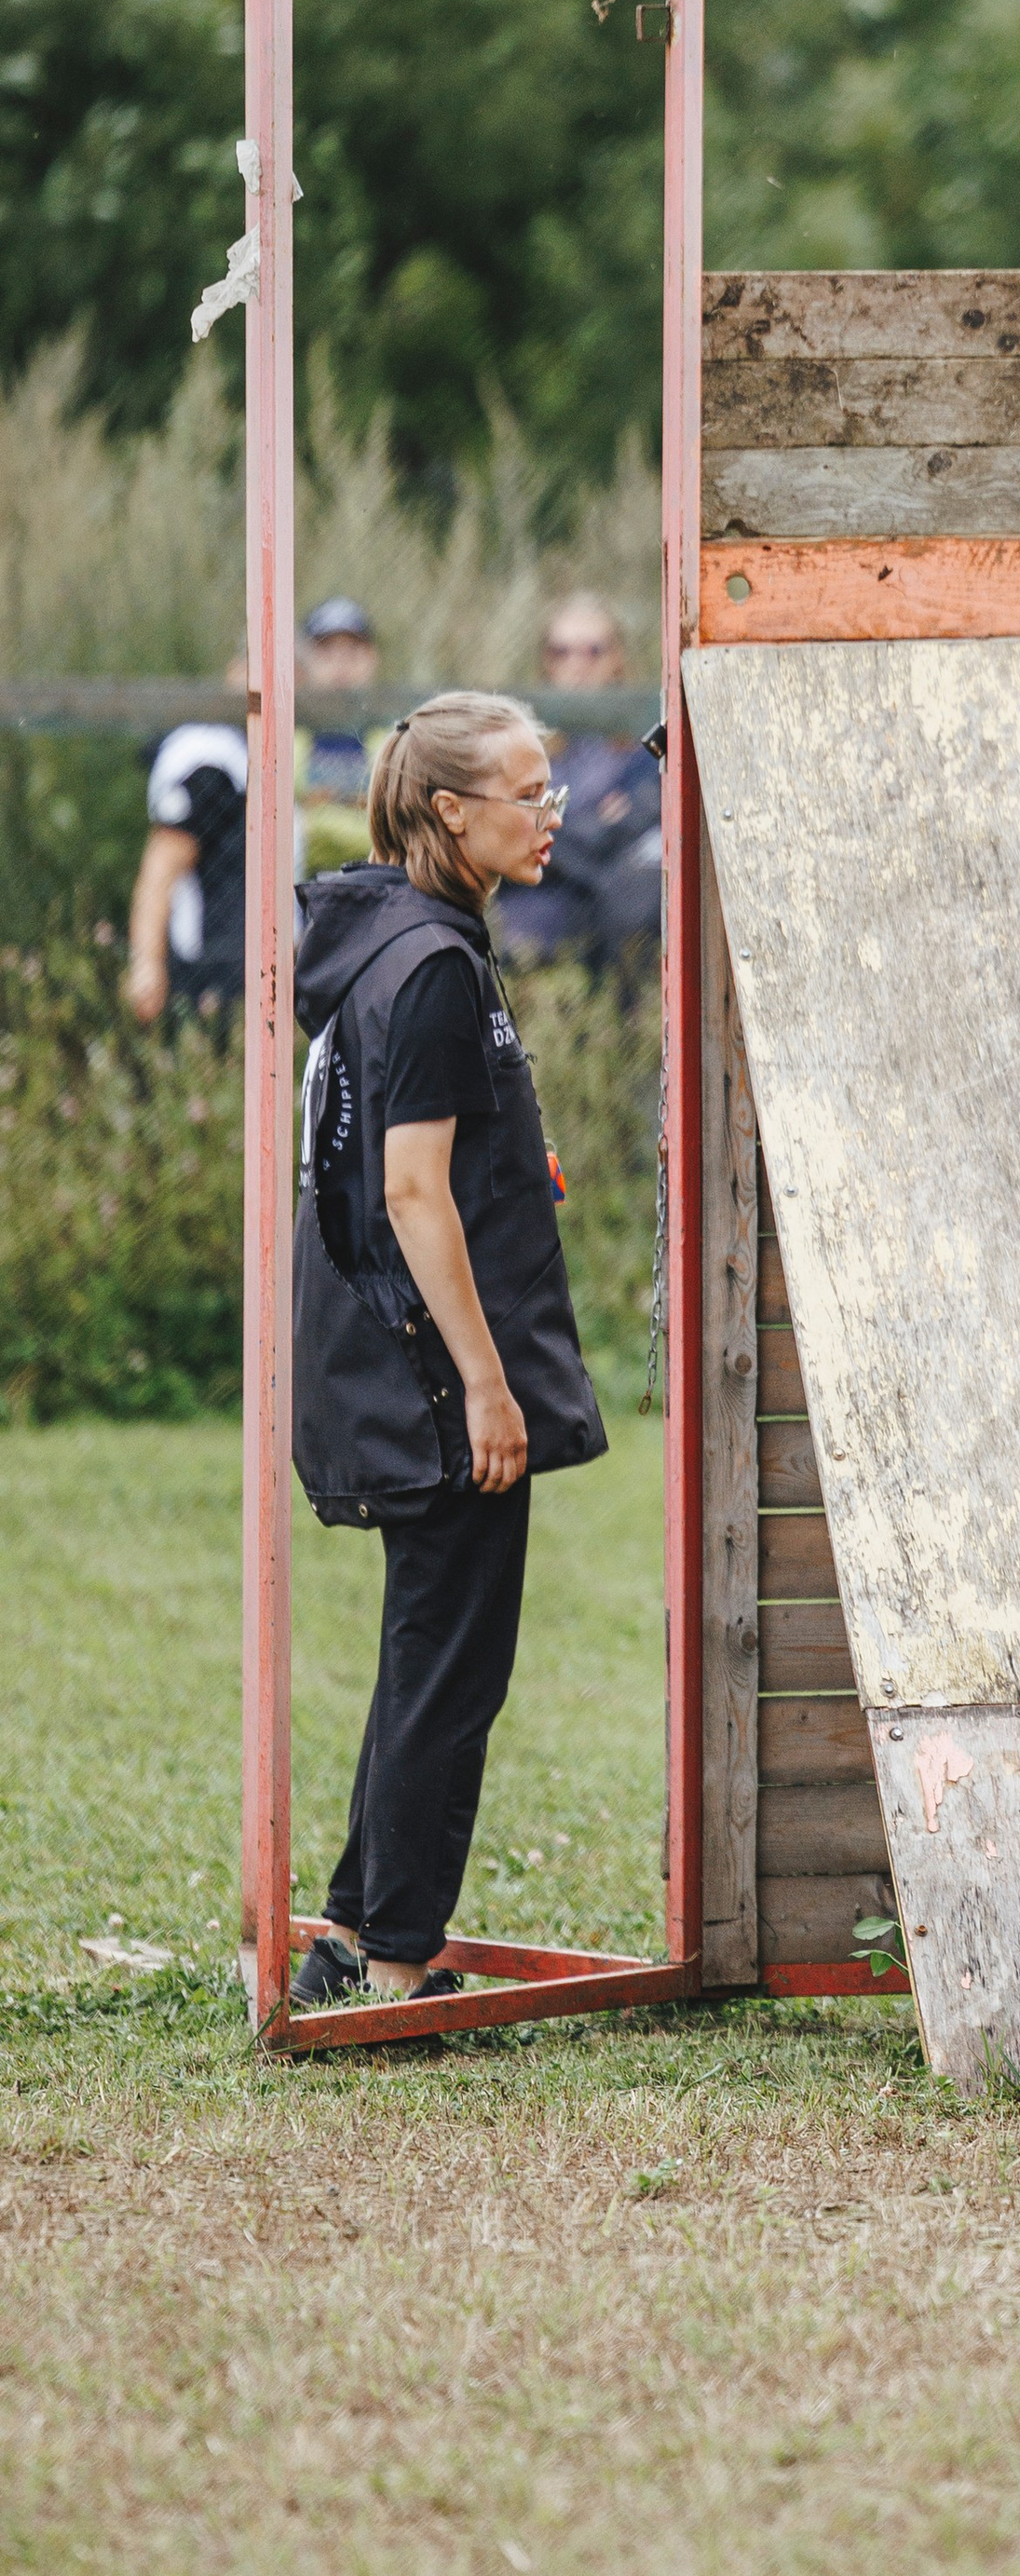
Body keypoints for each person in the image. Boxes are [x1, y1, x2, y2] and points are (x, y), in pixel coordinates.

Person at [288, 691, 607, 2006]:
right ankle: (403, 1966)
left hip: (392, 1358)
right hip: (430, 1375)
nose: (554, 814)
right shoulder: (426, 970)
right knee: (450, 1670)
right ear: (448, 812)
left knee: (427, 1654)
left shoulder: (393, 945)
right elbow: (412, 1193)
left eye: (554, 790)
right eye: (529, 793)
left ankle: (355, 1934)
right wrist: (486, 1383)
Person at [496, 592, 662, 973]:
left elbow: (643, 835)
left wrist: (561, 831)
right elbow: (511, 837)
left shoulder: (645, 748)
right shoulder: (518, 746)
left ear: (618, 658)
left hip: (619, 924)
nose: (577, 665)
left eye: (593, 651)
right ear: (546, 662)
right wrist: (600, 827)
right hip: (538, 925)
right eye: (562, 652)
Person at [125, 657, 248, 1025]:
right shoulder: (210, 759)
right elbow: (162, 864)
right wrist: (147, 962)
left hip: (254, 969)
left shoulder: (258, 750)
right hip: (206, 972)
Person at [296, 595, 383, 877]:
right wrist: (359, 806)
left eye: (352, 653)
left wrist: (316, 809)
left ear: (372, 659)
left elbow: (395, 833)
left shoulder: (393, 739)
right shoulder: (287, 740)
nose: (340, 666)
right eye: (327, 653)